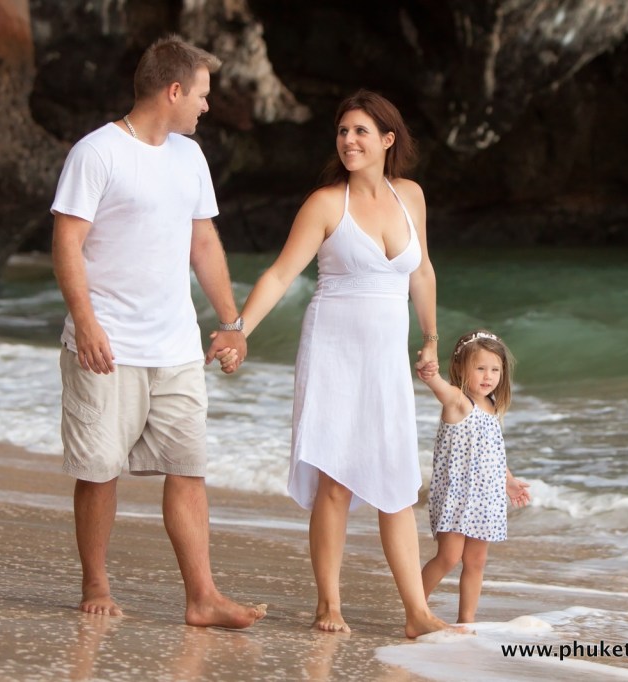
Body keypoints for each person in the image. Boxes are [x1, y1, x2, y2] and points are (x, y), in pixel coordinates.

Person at [50, 34, 265, 629]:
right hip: (108, 344)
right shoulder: (97, 153)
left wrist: (231, 323)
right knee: (99, 470)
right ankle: (95, 581)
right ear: (173, 90)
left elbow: (203, 243)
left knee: (188, 466)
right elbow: (67, 242)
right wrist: (87, 322)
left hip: (175, 344)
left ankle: (202, 596)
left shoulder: (189, 158)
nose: (206, 105)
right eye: (201, 94)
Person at [224, 88, 453, 637]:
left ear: (387, 140)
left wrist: (430, 338)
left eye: (360, 132)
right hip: (333, 350)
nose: (349, 140)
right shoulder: (327, 204)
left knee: (396, 480)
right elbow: (281, 274)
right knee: (336, 481)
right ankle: (329, 604)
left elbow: (421, 272)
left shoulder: (411, 197)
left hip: (384, 358)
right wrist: (238, 331)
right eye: (343, 131)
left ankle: (417, 613)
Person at [417, 329, 531, 624]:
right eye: (480, 368)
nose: (488, 376)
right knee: (449, 557)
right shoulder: (457, 401)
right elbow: (435, 384)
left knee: (476, 561)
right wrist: (430, 371)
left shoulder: (492, 406)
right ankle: (415, 608)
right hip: (457, 496)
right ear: (460, 368)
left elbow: (493, 452)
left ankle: (466, 622)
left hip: (486, 498)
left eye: (495, 369)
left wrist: (509, 480)